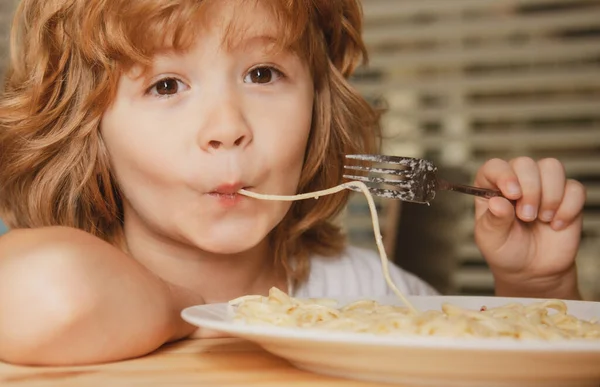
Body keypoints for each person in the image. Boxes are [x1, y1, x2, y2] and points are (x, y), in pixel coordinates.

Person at [0, 0, 586, 366]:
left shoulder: (374, 292)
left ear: (317, 107)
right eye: (166, 86)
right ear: (86, 128)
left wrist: (537, 290)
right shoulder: (56, 284)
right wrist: (201, 311)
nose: (227, 128)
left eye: (262, 73)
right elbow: (51, 291)